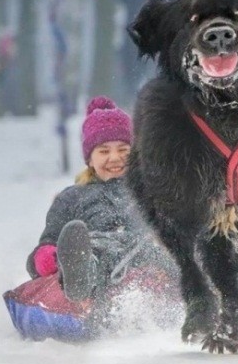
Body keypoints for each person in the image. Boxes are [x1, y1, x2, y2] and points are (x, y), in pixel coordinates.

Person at [26, 96, 174, 319]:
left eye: (123, 150)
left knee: (171, 252)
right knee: (97, 253)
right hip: (99, 251)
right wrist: (53, 258)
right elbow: (45, 247)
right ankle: (81, 279)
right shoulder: (72, 197)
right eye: (104, 151)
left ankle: (206, 297)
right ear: (90, 159)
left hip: (147, 250)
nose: (115, 158)